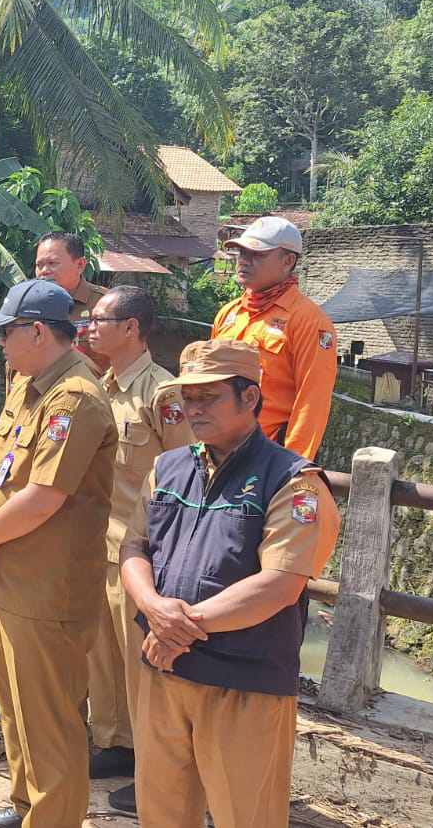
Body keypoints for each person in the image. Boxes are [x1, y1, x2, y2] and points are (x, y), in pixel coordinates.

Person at [119, 340, 340, 828]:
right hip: (163, 671)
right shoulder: (169, 467)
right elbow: (134, 548)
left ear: (251, 399)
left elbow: (279, 584)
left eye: (208, 397)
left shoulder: (292, 481)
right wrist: (153, 607)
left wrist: (174, 628)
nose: (192, 409)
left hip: (243, 679)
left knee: (247, 815)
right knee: (160, 811)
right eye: (187, 398)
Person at [0, 278, 118, 828]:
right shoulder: (28, 385)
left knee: (50, 715)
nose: (1, 343)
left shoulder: (74, 396)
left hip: (49, 583)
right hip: (11, 570)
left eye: (8, 333)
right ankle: (26, 803)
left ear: (39, 332)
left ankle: (53, 818)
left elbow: (45, 495)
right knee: (15, 702)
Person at [83, 285, 196, 807]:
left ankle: (157, 768)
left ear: (131, 328)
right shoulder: (99, 385)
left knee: (142, 667)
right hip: (95, 545)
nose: (90, 326)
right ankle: (114, 743)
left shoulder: (161, 393)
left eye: (101, 319)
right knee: (102, 659)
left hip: (138, 552)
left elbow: (185, 472)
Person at [212, 217, 336, 459]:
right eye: (241, 252)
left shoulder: (309, 321)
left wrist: (292, 466)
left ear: (288, 261)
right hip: (217, 452)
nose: (244, 261)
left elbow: (313, 401)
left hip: (266, 459)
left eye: (257, 254)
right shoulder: (228, 314)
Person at [31, 231, 109, 378]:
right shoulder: (30, 306)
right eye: (39, 265)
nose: (44, 271)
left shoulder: (105, 305)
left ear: (80, 265)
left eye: (52, 263)